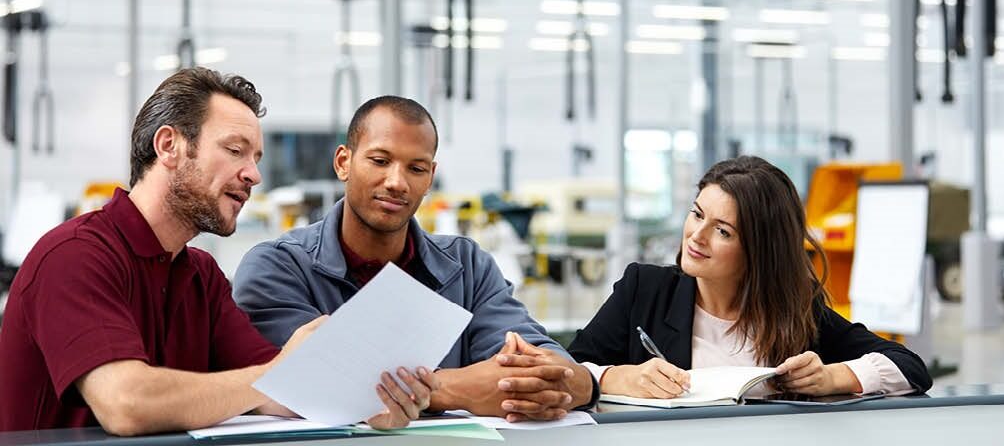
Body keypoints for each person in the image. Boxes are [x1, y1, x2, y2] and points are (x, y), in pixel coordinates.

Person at [0, 68, 432, 434]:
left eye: (257, 156)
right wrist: (277, 375)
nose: (254, 175)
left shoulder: (201, 276)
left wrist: (366, 400)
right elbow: (125, 402)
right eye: (235, 150)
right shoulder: (75, 256)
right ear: (169, 146)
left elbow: (284, 391)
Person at [233, 96, 596, 422]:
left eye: (416, 169)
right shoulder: (278, 268)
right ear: (344, 162)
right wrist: (455, 389)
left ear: (431, 177)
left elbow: (546, 366)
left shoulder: (466, 266)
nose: (397, 182)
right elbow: (316, 387)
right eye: (380, 160)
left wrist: (579, 381)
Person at [568, 156, 932, 399]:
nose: (697, 236)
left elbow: (909, 367)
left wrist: (833, 377)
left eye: (723, 231)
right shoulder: (644, 290)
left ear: (759, 251)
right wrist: (617, 378)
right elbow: (568, 371)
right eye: (697, 215)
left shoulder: (796, 311)